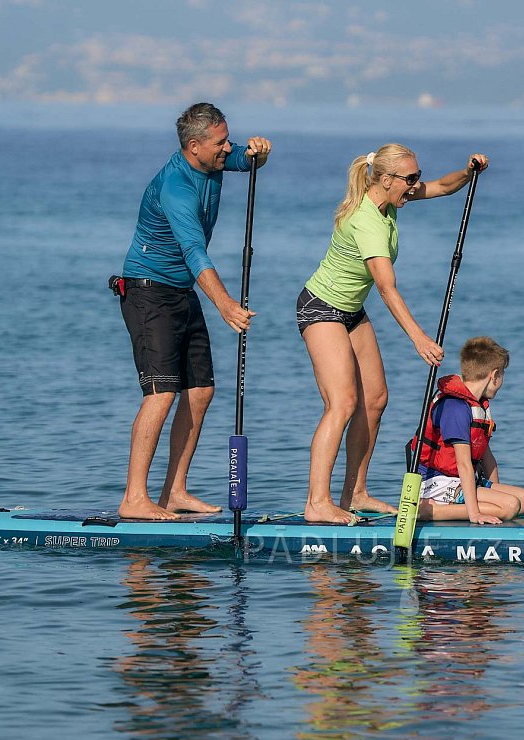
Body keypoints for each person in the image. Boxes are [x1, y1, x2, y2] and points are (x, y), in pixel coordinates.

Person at [298, 143, 489, 525]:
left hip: (351, 311)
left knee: (376, 399)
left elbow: (442, 187)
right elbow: (386, 288)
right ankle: (317, 501)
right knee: (343, 403)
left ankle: (355, 492)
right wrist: (419, 338)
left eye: (416, 177)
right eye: (410, 179)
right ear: (386, 180)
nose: (415, 185)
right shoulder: (367, 220)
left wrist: (468, 172)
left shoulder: (389, 196)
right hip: (320, 307)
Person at [116, 103, 271, 521]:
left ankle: (174, 491)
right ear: (194, 146)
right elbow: (193, 252)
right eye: (220, 143)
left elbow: (243, 158)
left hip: (182, 290)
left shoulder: (212, 159)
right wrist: (225, 305)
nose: (227, 147)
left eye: (227, 138)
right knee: (162, 393)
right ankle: (134, 498)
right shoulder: (176, 188)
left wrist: (258, 152)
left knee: (200, 391)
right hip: (148, 293)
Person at [410, 337, 524, 525]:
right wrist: (475, 514)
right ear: (494, 375)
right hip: (437, 483)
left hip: (458, 481)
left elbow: (486, 456)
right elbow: (464, 465)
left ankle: (466, 505)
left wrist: (494, 490)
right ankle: (430, 510)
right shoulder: (456, 408)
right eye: (503, 375)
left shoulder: (477, 406)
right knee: (509, 506)